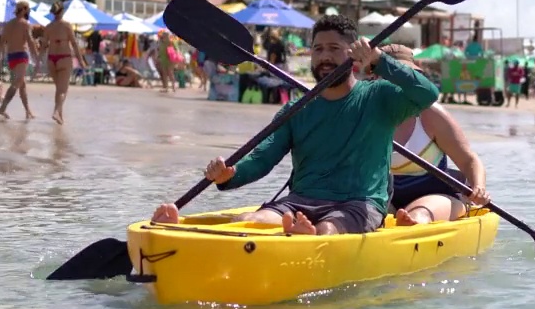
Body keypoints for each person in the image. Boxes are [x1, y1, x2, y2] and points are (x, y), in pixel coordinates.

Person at [151, 15, 440, 235]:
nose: (325, 56)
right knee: (251, 221)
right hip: (300, 201)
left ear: (352, 54)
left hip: (359, 203)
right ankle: (182, 233)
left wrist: (379, 61)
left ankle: (309, 239)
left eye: (334, 49)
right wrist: (230, 174)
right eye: (318, 49)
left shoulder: (380, 97)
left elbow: (428, 93)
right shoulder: (296, 109)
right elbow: (263, 158)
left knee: (328, 229)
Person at [365, 44, 489, 225]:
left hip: (437, 197)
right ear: (374, 77)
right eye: (388, 74)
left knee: (418, 215)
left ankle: (412, 222)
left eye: (401, 74)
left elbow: (469, 160)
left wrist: (479, 187)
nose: (396, 81)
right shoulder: (363, 113)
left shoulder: (431, 114)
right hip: (384, 199)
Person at [41, 0, 85, 124]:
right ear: (62, 11)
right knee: (63, 90)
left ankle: (60, 116)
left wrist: (38, 62)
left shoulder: (48, 27)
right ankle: (55, 111)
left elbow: (44, 46)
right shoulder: (66, 25)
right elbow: (74, 43)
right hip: (64, 58)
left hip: (51, 59)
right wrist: (81, 60)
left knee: (58, 89)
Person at [0, 2, 38, 119]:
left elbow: (1, 42)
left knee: (22, 84)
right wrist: (36, 57)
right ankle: (2, 107)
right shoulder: (25, 24)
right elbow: (30, 41)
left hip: (11, 56)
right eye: (28, 9)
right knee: (17, 82)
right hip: (21, 55)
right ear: (24, 10)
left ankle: (28, 111)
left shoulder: (8, 24)